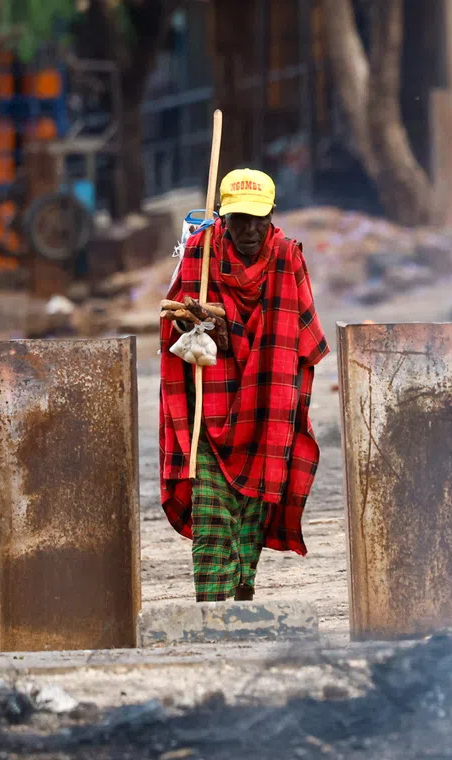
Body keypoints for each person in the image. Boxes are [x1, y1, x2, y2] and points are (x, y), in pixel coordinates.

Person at [158, 168, 329, 603]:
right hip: (209, 403)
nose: (249, 230)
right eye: (238, 219)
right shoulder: (198, 252)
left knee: (253, 506)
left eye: (258, 218)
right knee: (212, 507)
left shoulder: (288, 256)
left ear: (272, 215)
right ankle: (211, 610)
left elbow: (305, 341)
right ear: (222, 217)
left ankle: (242, 597)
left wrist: (245, 336)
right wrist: (189, 324)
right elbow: (170, 328)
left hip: (265, 403)